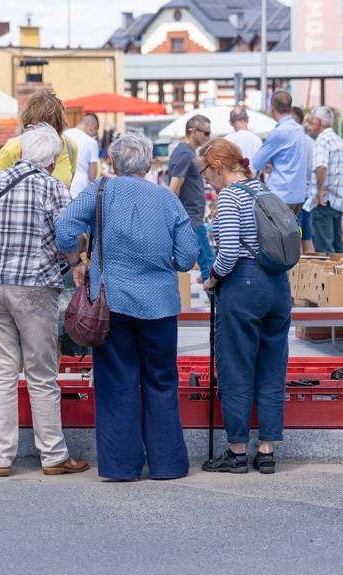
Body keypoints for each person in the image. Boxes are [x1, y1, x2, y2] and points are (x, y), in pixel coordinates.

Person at [56, 133, 199, 481]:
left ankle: (121, 466)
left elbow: (64, 229)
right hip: (160, 303)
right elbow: (187, 257)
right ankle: (168, 465)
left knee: (116, 382)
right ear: (148, 164)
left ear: (113, 162)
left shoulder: (100, 191)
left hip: (112, 301)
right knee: (161, 381)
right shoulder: (167, 198)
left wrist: (78, 261)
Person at [0, 123, 89, 478]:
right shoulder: (52, 187)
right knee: (41, 373)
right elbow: (68, 238)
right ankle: (53, 456)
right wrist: (77, 258)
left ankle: (0, 457)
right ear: (52, 159)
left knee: (0, 372)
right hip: (33, 286)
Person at [198, 138, 291, 475]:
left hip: (245, 285)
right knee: (271, 367)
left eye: (205, 171)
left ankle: (237, 451)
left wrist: (212, 278)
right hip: (278, 286)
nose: (206, 179)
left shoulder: (230, 197)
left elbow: (227, 254)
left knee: (236, 366)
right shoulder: (265, 190)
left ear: (218, 165)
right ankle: (266, 451)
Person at [0, 89, 78, 188]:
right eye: (37, 126)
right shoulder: (11, 150)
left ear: (58, 126)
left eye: (49, 126)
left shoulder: (69, 146)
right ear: (27, 125)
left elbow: (68, 185)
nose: (42, 131)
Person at [168, 114, 212, 282]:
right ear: (193, 131)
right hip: (191, 218)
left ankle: (211, 290)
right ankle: (214, 296)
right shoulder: (184, 154)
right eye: (206, 133)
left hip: (192, 217)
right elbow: (173, 190)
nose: (208, 137)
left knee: (206, 261)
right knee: (208, 262)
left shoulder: (187, 152)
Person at [307, 106, 343, 254]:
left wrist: (319, 191)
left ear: (319, 121)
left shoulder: (322, 140)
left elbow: (321, 166)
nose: (310, 122)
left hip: (324, 201)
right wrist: (339, 184)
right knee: (337, 246)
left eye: (312, 119)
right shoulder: (340, 142)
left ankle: (336, 270)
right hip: (338, 203)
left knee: (324, 249)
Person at [252, 90, 309, 213]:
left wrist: (270, 162)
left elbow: (256, 162)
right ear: (291, 108)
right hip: (298, 195)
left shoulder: (280, 131)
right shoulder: (299, 130)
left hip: (281, 195)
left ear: (272, 108)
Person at [292, 106, 314, 253]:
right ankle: (311, 267)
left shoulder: (294, 141)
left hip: (295, 195)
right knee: (307, 237)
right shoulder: (311, 142)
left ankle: (297, 267)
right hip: (308, 193)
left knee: (296, 238)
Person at [63, 113, 100, 198]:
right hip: (81, 187)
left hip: (62, 182)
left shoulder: (64, 134)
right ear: (92, 126)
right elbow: (92, 175)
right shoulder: (92, 142)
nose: (95, 134)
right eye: (95, 129)